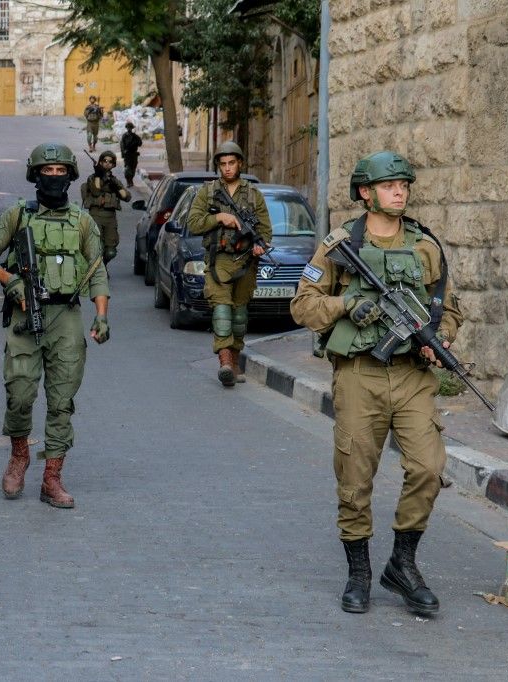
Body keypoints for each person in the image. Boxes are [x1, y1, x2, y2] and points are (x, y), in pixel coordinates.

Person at [290, 151, 463, 617]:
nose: (400, 191)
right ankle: (359, 572)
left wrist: (438, 339)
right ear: (366, 192)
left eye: (404, 184)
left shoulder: (426, 245)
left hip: (412, 376)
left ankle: (402, 564)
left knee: (428, 467)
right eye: (390, 185)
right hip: (359, 375)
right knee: (354, 477)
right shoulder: (340, 244)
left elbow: (448, 307)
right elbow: (303, 306)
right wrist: (346, 305)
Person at [0, 142, 110, 509]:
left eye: (60, 171)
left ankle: (52, 476)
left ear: (70, 176)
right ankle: (19, 455)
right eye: (47, 171)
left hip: (66, 316)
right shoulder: (17, 216)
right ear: (35, 175)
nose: (54, 177)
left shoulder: (83, 221)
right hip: (24, 316)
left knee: (62, 400)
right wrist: (11, 280)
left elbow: (98, 272)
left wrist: (101, 315)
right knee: (20, 394)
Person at [185, 141, 270, 387]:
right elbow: (194, 223)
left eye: (232, 163)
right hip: (218, 261)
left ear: (240, 163)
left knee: (239, 316)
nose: (227, 168)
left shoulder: (253, 195)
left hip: (245, 262)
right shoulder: (209, 192)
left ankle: (234, 360)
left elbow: (265, 230)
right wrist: (219, 217)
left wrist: (259, 246)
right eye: (223, 164)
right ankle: (224, 364)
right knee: (222, 311)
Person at [80, 150, 130, 265]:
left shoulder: (114, 180)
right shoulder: (93, 178)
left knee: (110, 251)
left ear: (113, 165)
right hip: (96, 215)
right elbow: (96, 192)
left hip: (110, 217)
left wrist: (116, 186)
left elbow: (126, 197)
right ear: (100, 162)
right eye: (104, 161)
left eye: (110, 162)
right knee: (97, 247)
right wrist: (98, 175)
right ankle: (98, 270)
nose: (107, 163)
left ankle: (103, 266)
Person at [119, 122, 142, 188]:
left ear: (132, 128)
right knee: (127, 169)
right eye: (128, 127)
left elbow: (140, 143)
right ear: (126, 128)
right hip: (127, 155)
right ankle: (128, 182)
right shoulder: (124, 136)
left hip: (134, 155)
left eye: (130, 128)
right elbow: (122, 146)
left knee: (133, 169)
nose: (129, 129)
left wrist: (136, 142)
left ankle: (131, 180)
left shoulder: (135, 136)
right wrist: (123, 154)